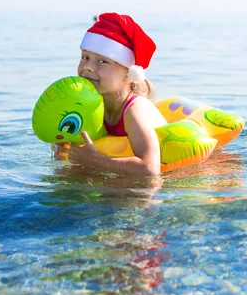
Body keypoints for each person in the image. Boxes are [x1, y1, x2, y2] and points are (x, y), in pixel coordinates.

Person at [53, 12, 168, 176]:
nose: (89, 67)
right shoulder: (88, 106)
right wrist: (62, 150)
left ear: (128, 74)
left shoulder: (134, 110)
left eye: (102, 61)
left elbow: (150, 170)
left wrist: (96, 161)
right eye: (85, 57)